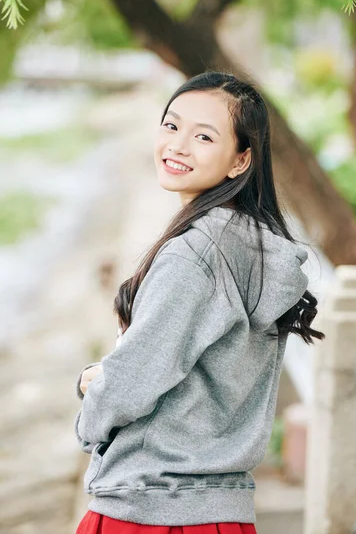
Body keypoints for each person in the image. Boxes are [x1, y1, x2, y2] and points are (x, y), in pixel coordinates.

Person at [74, 71, 325, 534]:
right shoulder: (254, 248)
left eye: (204, 136)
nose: (178, 145)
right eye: (171, 126)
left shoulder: (196, 254)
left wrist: (91, 398)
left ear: (240, 160)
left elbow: (134, 381)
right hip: (221, 513)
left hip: (149, 509)